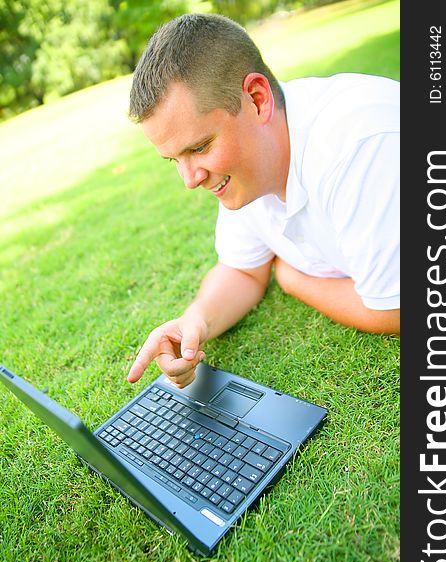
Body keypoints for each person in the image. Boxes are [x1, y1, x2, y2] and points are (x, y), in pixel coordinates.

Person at [126, 13, 400, 389]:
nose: (189, 180)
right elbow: (243, 270)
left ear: (257, 99)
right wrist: (196, 321)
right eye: (174, 159)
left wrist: (293, 280)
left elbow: (396, 308)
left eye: (200, 147)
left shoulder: (360, 147)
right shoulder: (248, 169)